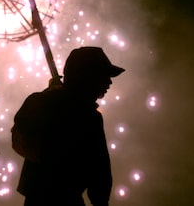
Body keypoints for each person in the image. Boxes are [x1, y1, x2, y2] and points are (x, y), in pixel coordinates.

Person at [12, 46, 125, 206]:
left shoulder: (43, 102)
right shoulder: (88, 116)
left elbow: (100, 172)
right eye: (103, 75)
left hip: (41, 198)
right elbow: (100, 173)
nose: (109, 82)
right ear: (87, 77)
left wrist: (52, 97)